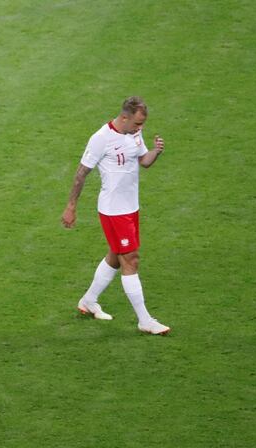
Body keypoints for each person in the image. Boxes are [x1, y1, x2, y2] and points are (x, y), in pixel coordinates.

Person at [62, 96, 170, 335]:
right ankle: (145, 320)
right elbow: (81, 173)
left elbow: (144, 161)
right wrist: (71, 206)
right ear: (124, 117)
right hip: (113, 211)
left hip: (131, 208)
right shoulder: (101, 138)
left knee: (115, 255)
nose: (140, 129)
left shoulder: (133, 133)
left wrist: (156, 151)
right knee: (130, 259)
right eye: (137, 124)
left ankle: (89, 301)